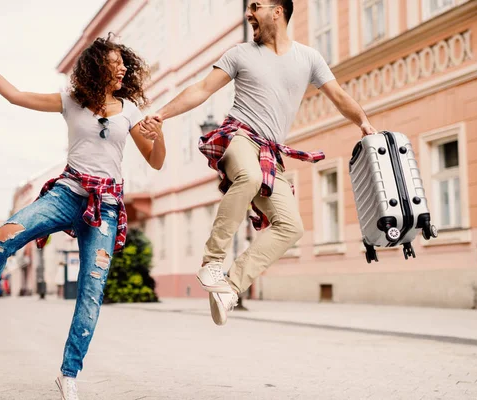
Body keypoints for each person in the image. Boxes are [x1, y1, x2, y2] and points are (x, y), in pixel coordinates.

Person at [0, 34, 165, 399]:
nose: (122, 69)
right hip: (67, 193)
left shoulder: (129, 110)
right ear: (97, 67)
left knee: (91, 289)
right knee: (3, 234)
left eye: (123, 64)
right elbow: (14, 95)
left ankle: (69, 374)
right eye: (115, 63)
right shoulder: (71, 102)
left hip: (105, 206)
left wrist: (159, 135)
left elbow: (156, 160)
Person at [141, 0, 377, 326]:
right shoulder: (241, 54)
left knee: (291, 225)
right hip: (240, 136)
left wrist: (362, 122)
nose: (248, 13)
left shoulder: (309, 58)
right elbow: (202, 89)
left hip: (270, 152)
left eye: (255, 6)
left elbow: (338, 95)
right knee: (249, 177)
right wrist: (162, 114)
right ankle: (212, 261)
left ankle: (230, 287)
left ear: (277, 10)